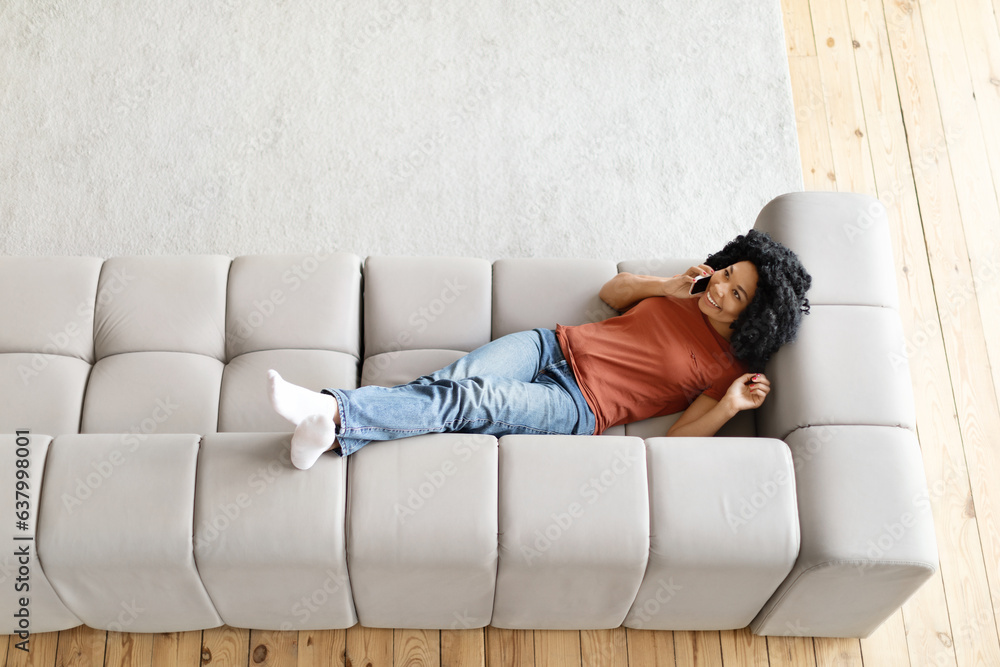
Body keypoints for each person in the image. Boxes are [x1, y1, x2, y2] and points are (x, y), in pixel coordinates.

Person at [268, 229, 812, 469]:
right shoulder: (690, 291)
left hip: (578, 405)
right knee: (451, 383)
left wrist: (729, 406)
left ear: (752, 318)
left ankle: (333, 411)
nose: (719, 289)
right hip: (549, 345)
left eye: (734, 294)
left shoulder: (726, 368)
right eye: (727, 273)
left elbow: (678, 438)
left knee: (469, 402)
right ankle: (334, 436)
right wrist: (665, 285)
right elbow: (611, 293)